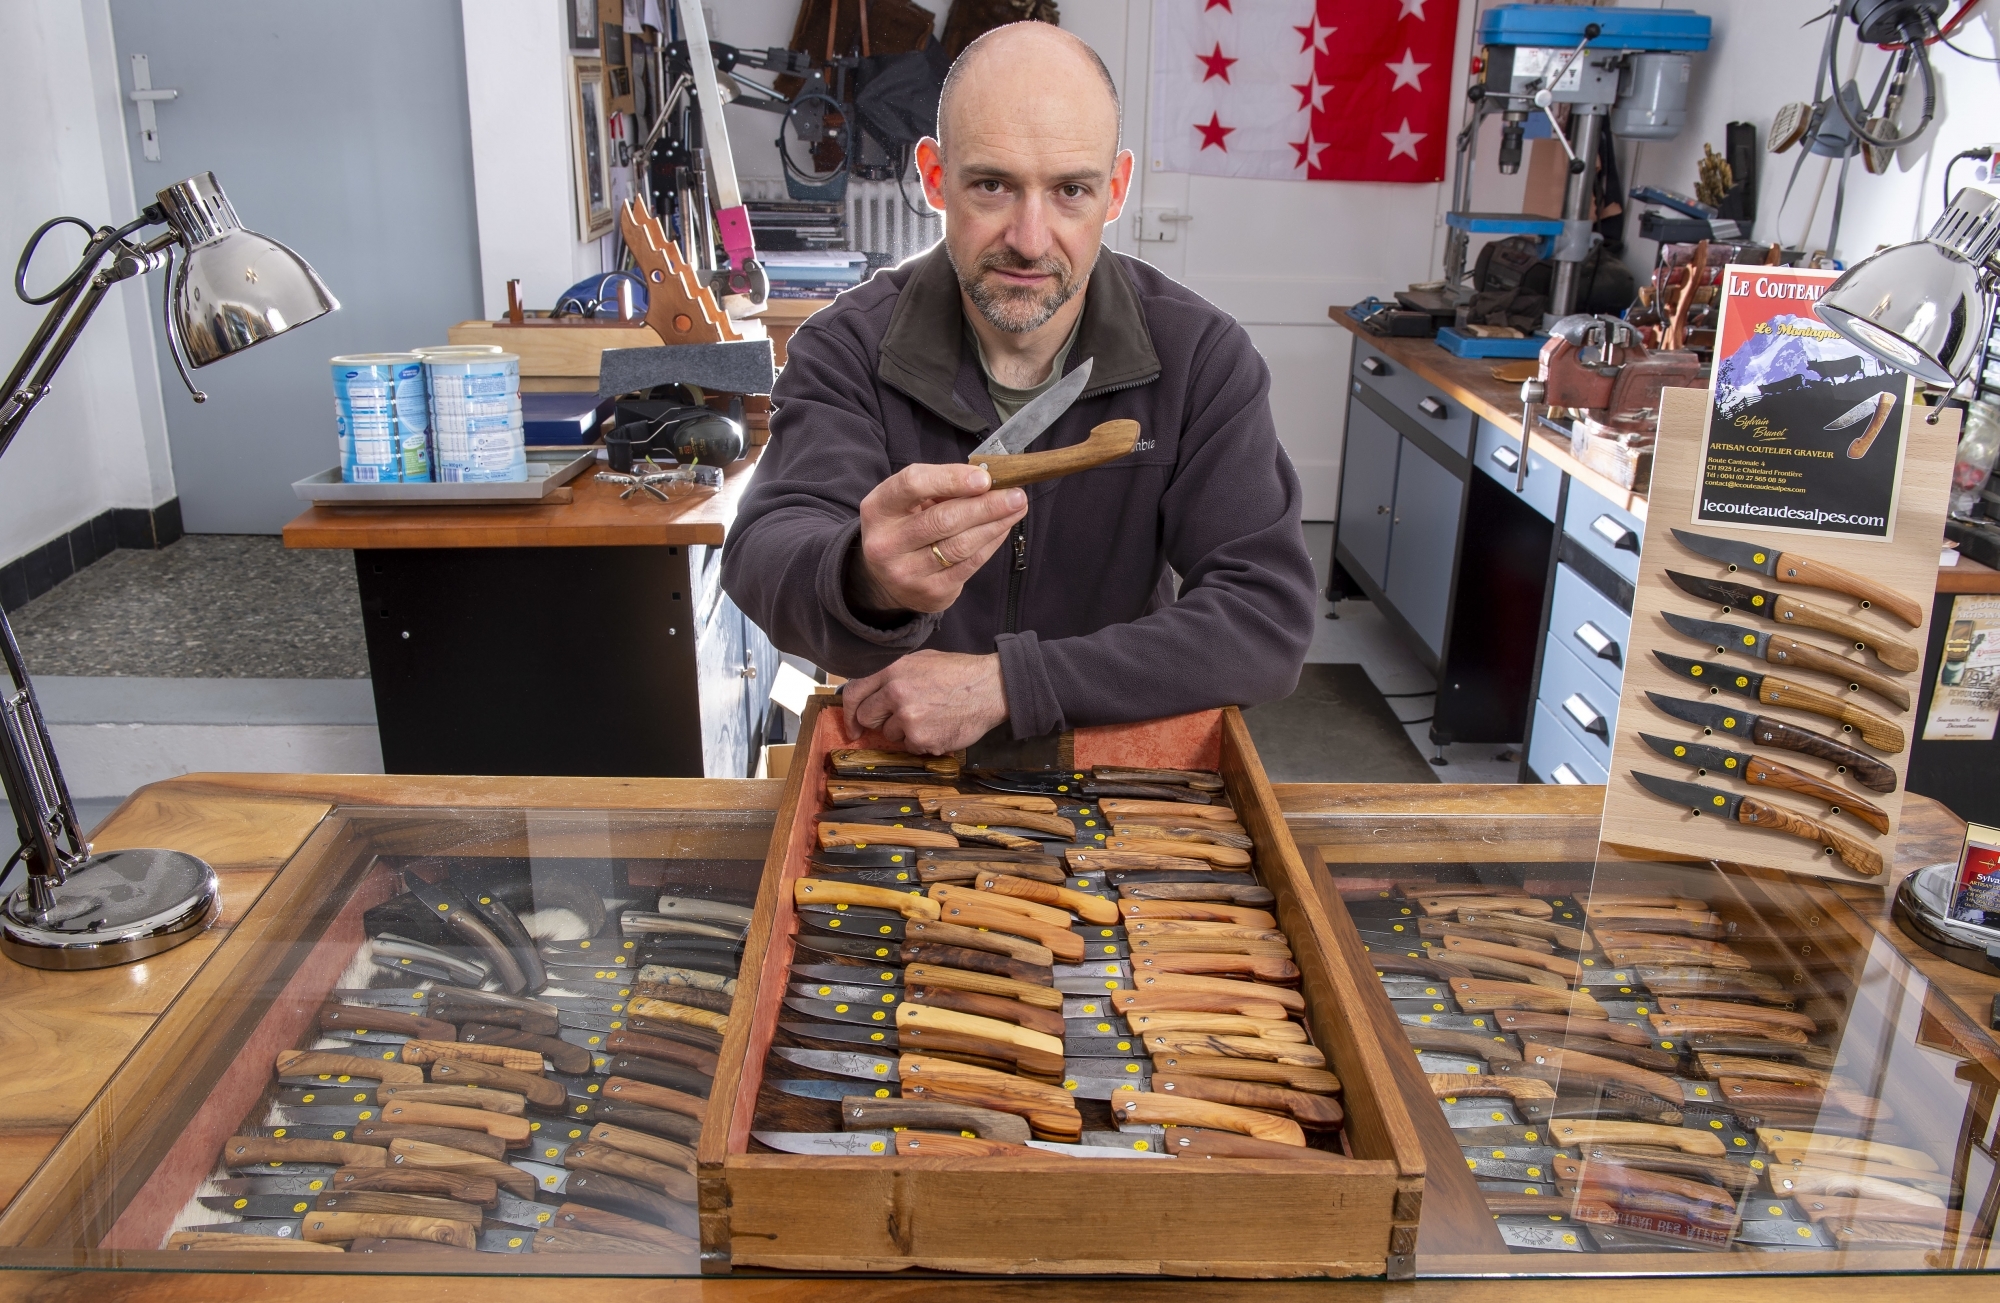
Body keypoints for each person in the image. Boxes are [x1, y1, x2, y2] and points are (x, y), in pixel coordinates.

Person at [721, 21, 1316, 754]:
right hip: (903, 765)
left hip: (1111, 763)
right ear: (936, 178)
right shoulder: (847, 347)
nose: (1031, 239)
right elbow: (764, 551)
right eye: (993, 185)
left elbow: (1267, 618)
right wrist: (864, 576)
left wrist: (1012, 682)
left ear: (1116, 189)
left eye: (1071, 190)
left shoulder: (1202, 359)